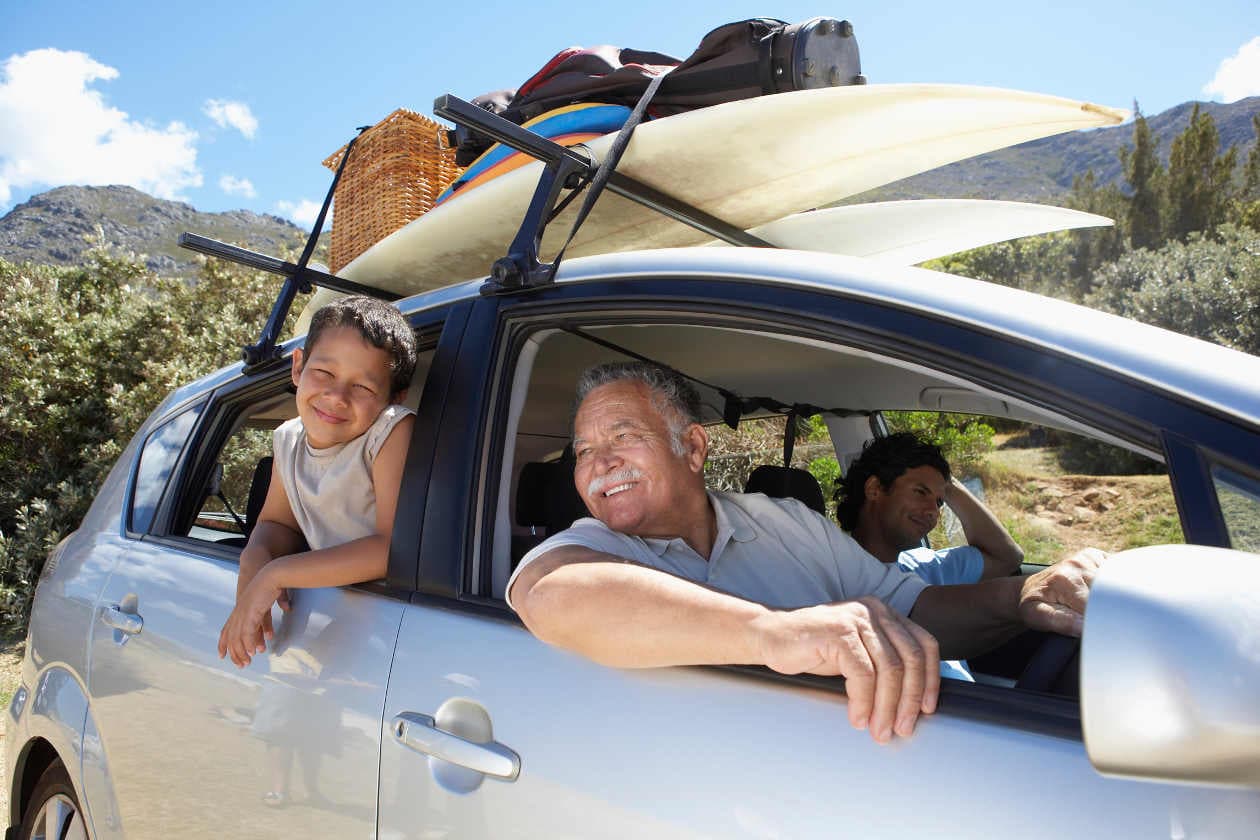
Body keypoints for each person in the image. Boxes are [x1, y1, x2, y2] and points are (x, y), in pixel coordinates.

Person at [508, 361, 1100, 744]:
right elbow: (550, 596)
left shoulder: (787, 521)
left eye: (623, 437)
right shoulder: (588, 548)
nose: (600, 463)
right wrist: (776, 633)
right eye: (583, 451)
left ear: (692, 448)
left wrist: (1021, 595)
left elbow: (916, 611)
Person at [218, 295, 417, 668]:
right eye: (324, 373)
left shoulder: (391, 432)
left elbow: (390, 549)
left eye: (363, 387)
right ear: (298, 367)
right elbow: (277, 523)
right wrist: (254, 558)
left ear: (394, 398)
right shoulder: (288, 438)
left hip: (388, 632)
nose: (337, 396)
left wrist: (275, 574)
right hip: (331, 626)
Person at [837, 431, 1026, 680]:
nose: (933, 512)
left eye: (939, 502)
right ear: (875, 489)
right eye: (920, 492)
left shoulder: (925, 563)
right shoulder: (834, 579)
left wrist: (947, 484)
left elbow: (1007, 557)